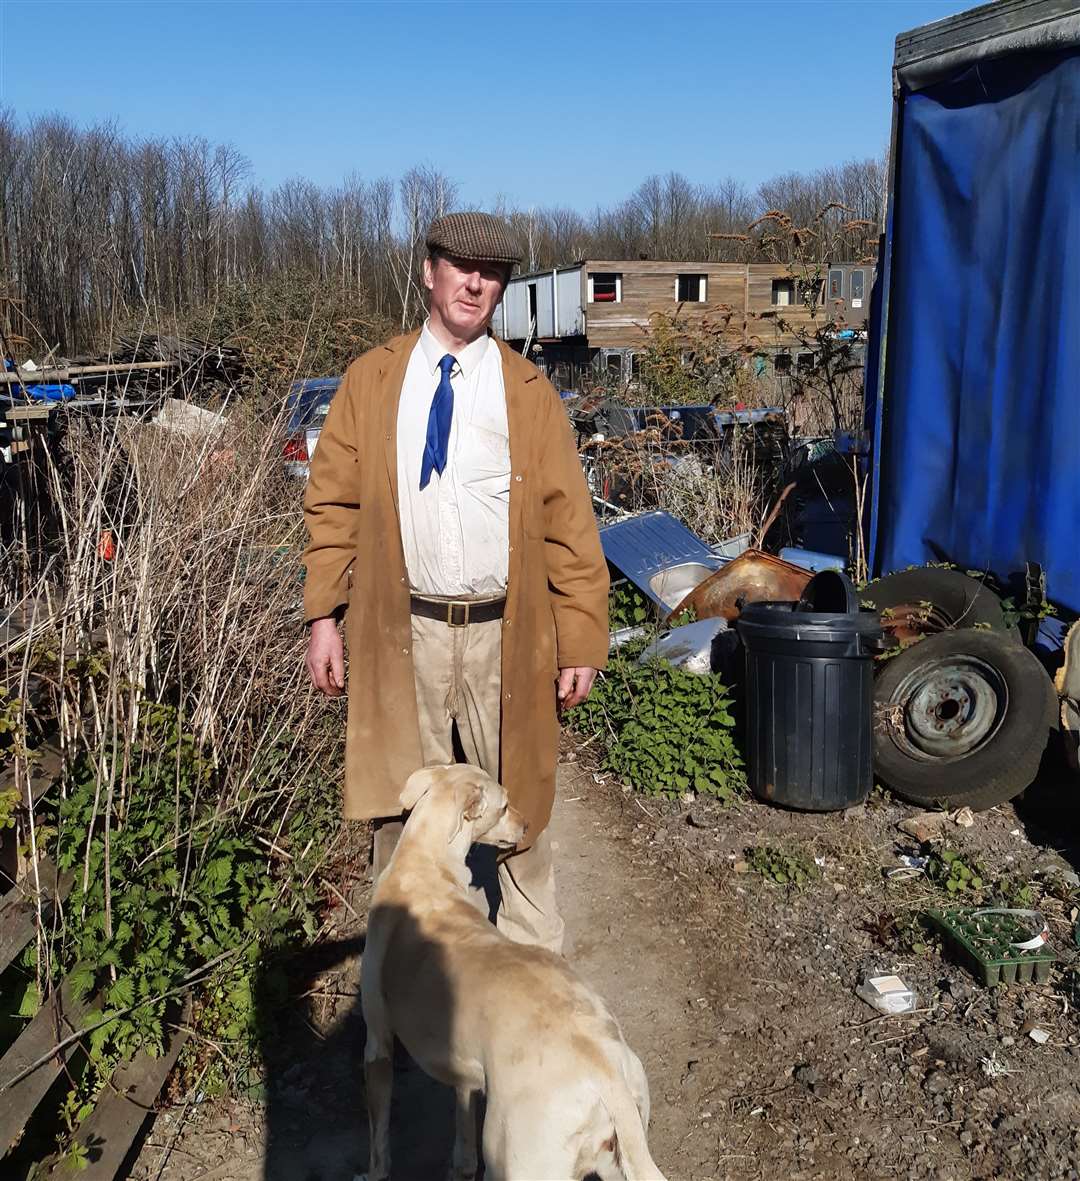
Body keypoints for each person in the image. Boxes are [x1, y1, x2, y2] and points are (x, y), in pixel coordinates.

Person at [302, 211, 609, 953]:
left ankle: (538, 977)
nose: (476, 282)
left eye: (493, 271)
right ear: (428, 272)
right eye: (461, 266)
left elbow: (570, 521)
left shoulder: (527, 390)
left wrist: (582, 638)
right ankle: (406, 978)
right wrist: (324, 617)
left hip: (506, 633)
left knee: (519, 814)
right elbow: (332, 503)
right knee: (401, 815)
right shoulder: (373, 379)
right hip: (402, 630)